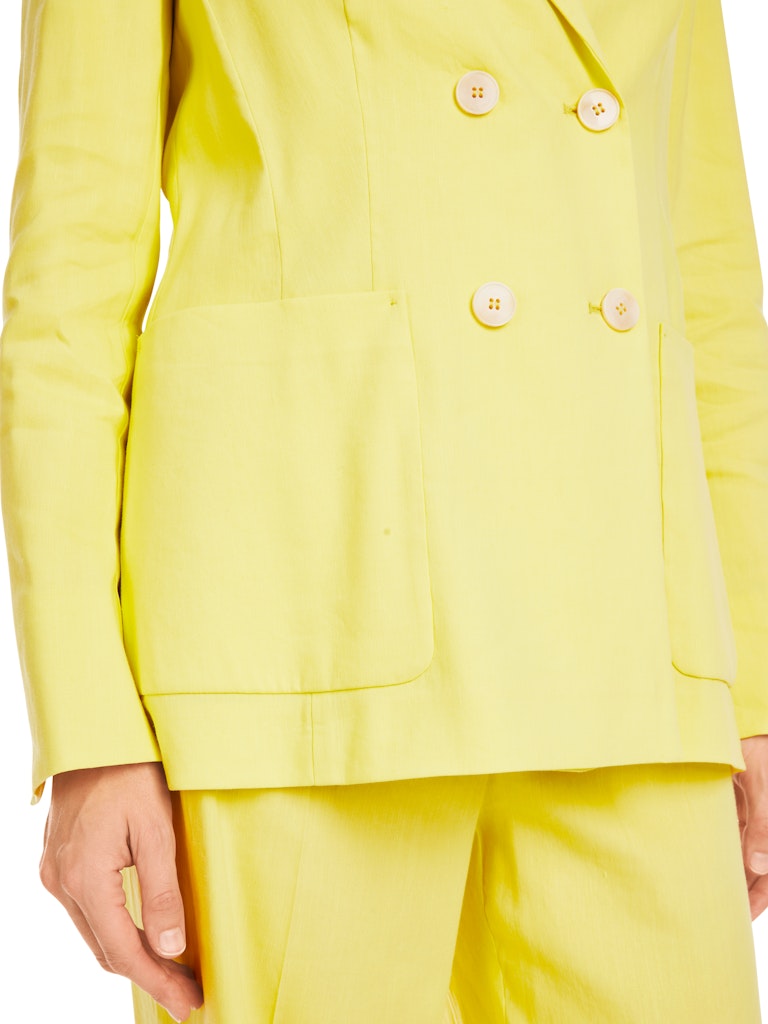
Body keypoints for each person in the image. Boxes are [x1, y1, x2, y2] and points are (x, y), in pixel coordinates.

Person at [2, 0, 768, 1021]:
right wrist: (90, 730)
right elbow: (69, 302)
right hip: (307, 634)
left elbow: (711, 287)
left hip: (629, 637)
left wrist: (752, 684)